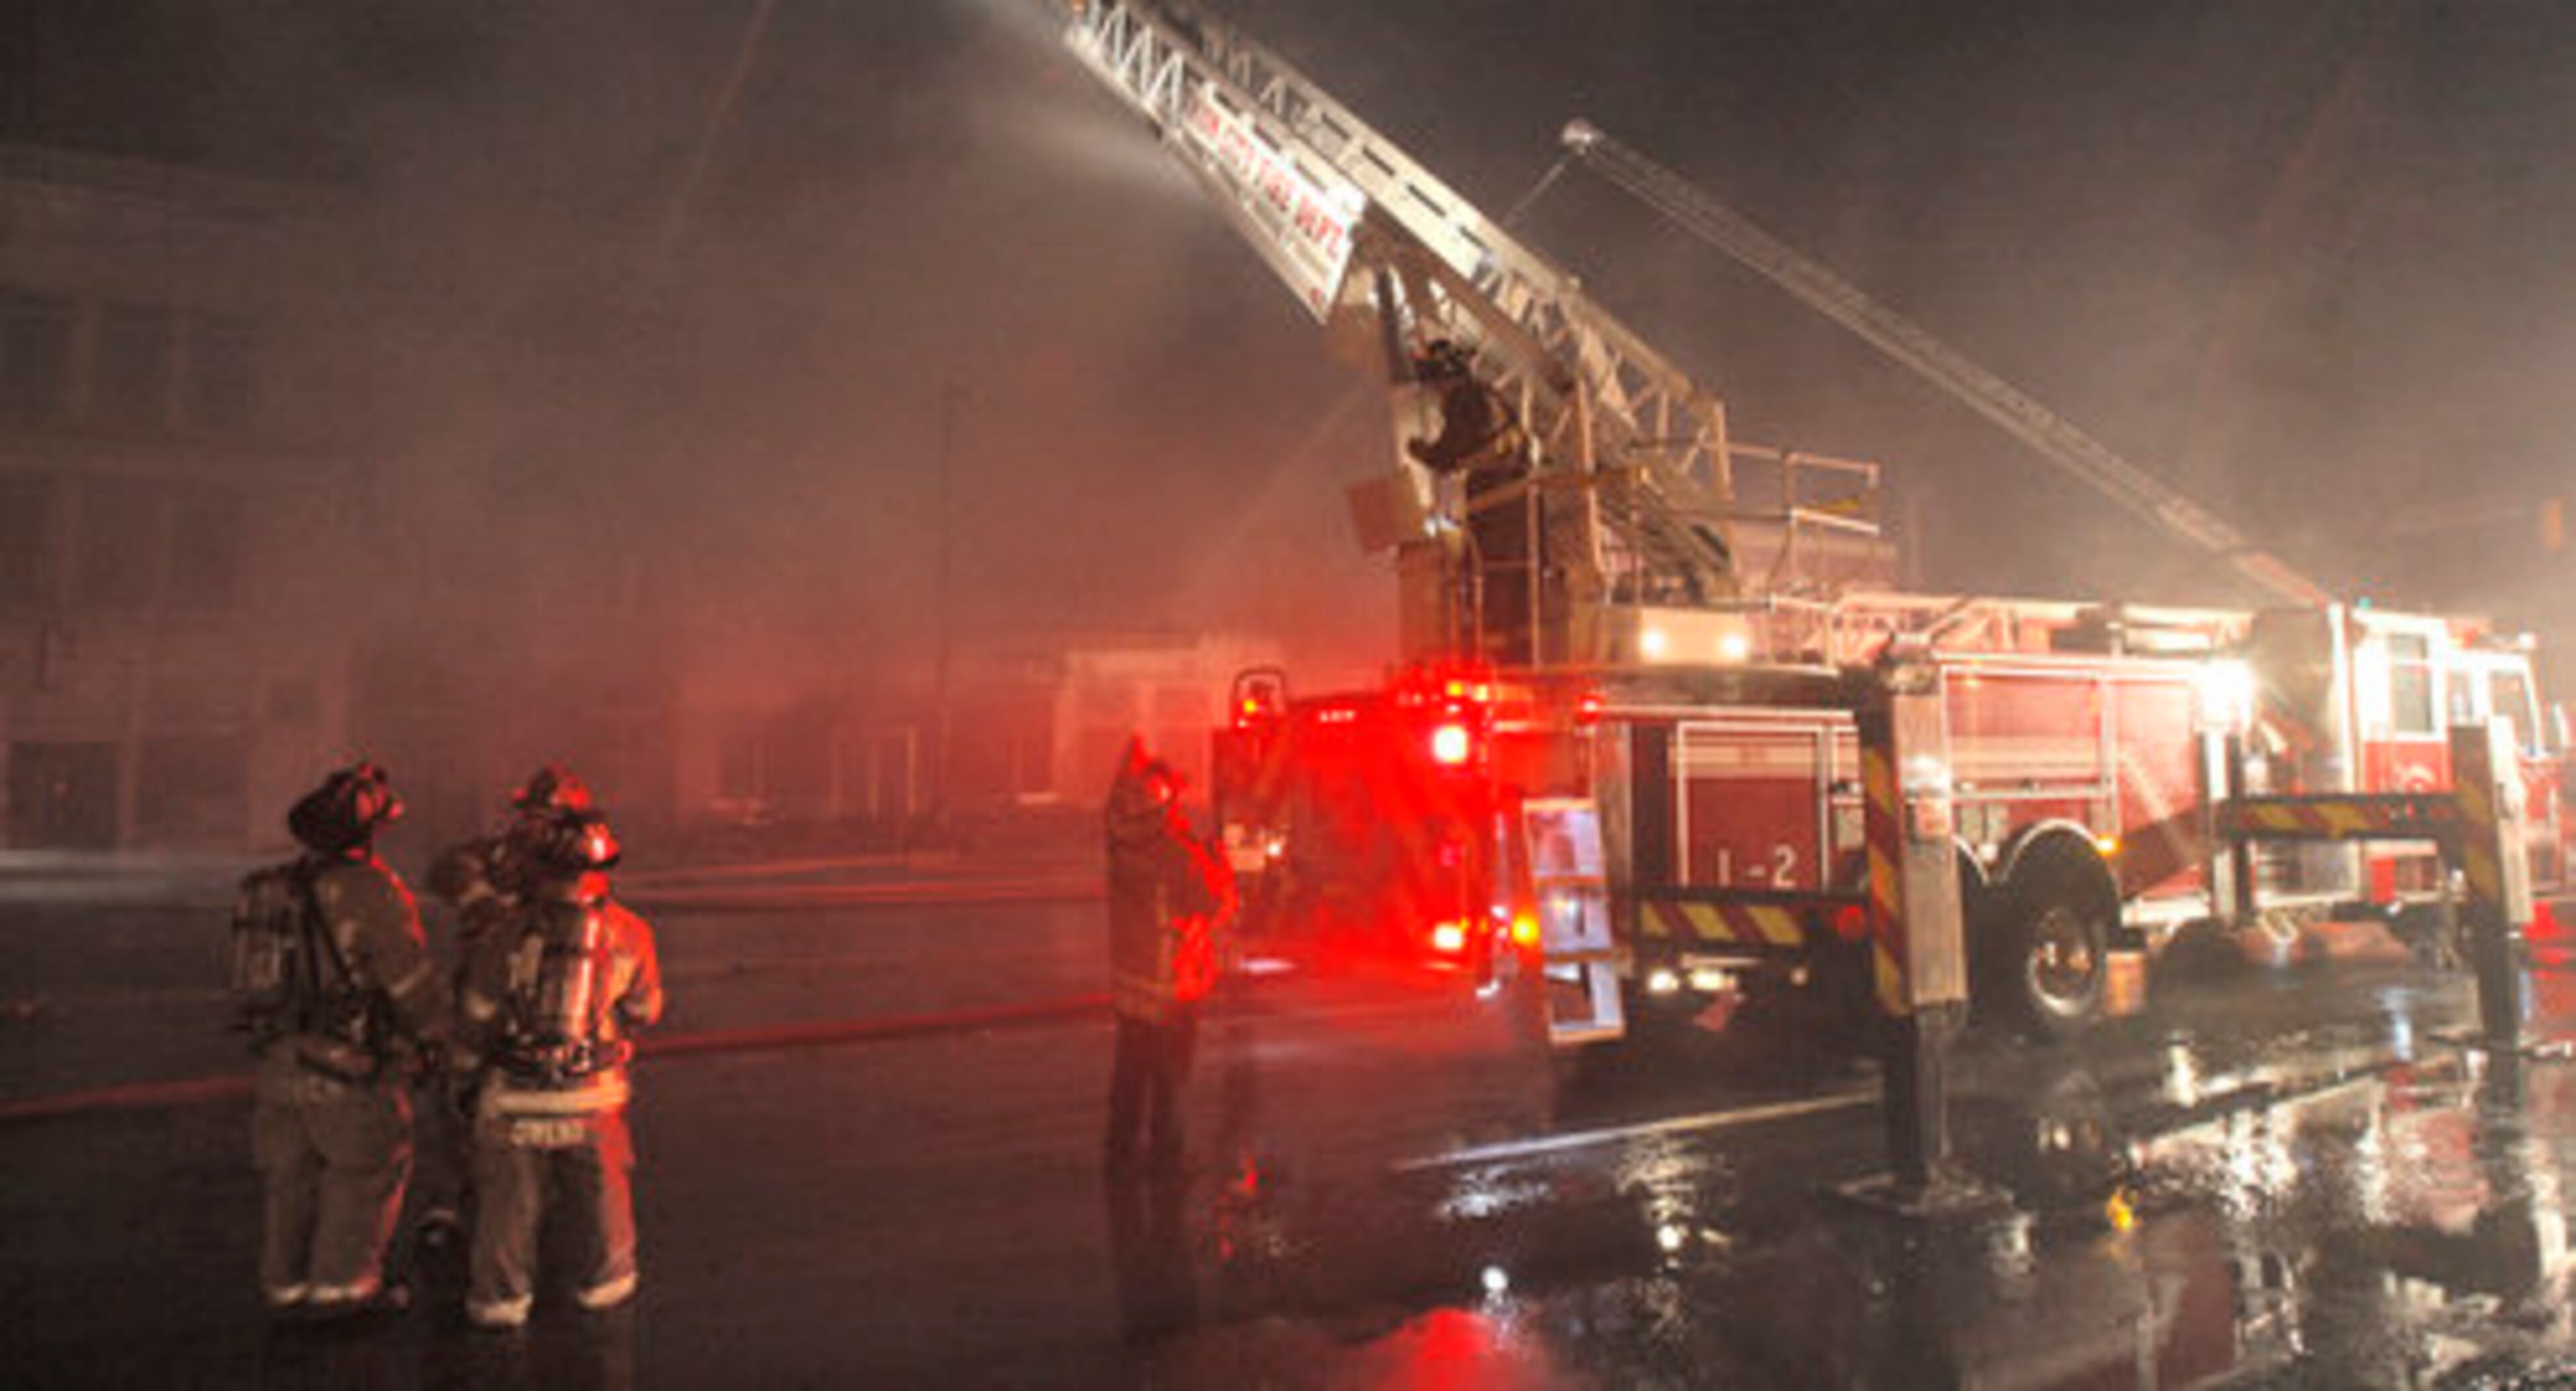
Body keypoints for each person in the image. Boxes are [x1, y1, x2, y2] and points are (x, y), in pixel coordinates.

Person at [233, 761, 446, 1317]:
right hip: (351, 1069)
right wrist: (433, 1040)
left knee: (289, 1180)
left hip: (279, 1063)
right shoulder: (373, 890)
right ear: (370, 832)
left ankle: (283, 1286)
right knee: (363, 1173)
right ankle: (343, 1292)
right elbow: (408, 982)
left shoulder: (268, 889)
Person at [450, 803, 663, 1331]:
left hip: (514, 1098)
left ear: (539, 868)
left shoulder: (505, 933)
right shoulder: (630, 931)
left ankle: (502, 1305)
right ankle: (604, 1290)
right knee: (602, 1203)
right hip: (593, 1097)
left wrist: (464, 1079)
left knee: (507, 1210)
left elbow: (476, 1019)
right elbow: (646, 1011)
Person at [416, 765, 600, 1247]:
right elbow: (444, 870)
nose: (530, 824)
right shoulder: (493, 855)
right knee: (456, 1095)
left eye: (544, 816)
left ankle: (542, 1203)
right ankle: (450, 1203)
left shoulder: (578, 869)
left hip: (544, 1007)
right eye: (528, 814)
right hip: (480, 989)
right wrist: (482, 902)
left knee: (535, 1105)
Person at [1103, 740, 1236, 1174]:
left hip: (1132, 987)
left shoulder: (1119, 841)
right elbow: (1217, 905)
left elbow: (1116, 804)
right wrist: (1220, 862)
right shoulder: (1176, 854)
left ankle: (1119, 1153)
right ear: (1165, 802)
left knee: (1129, 1076)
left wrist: (1131, 767)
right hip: (1172, 989)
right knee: (1171, 1079)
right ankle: (1167, 1158)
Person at [1404, 338, 1537, 661]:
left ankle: (1493, 652)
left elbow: (1451, 453)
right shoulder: (1487, 397)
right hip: (1512, 496)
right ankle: (1507, 648)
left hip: (1498, 500)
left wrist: (1422, 451)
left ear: (1444, 377)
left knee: (1486, 575)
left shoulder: (1466, 398)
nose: (1436, 395)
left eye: (1435, 385)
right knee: (1505, 576)